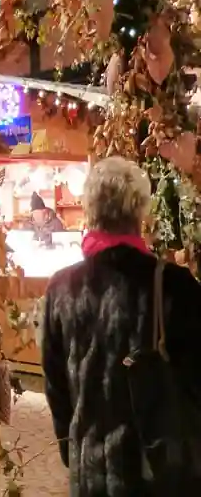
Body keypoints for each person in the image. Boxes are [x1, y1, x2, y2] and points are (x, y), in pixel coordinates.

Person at [42, 156, 201, 495]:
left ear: (90, 210)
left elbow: (55, 384)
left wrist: (73, 450)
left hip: (93, 472)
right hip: (161, 471)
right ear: (140, 212)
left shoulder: (62, 289)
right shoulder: (174, 285)